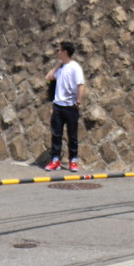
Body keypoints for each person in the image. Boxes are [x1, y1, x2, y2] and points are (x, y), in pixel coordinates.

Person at [44, 42, 85, 171]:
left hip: (70, 106)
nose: (57, 52)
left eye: (59, 50)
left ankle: (73, 160)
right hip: (58, 105)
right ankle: (55, 160)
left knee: (72, 135)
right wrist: (57, 65)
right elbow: (49, 77)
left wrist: (78, 102)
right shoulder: (61, 67)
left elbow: (80, 85)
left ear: (65, 52)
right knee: (56, 134)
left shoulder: (75, 67)